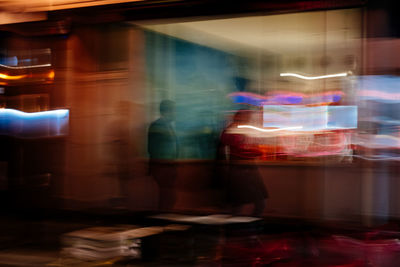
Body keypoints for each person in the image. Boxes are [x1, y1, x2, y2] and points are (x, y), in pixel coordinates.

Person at [217, 109, 268, 217]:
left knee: (247, 203)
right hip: (241, 170)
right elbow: (241, 149)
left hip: (245, 170)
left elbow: (245, 147)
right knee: (242, 203)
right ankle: (243, 226)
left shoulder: (240, 130)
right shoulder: (232, 131)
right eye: (246, 117)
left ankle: (244, 225)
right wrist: (257, 151)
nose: (247, 120)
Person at [147, 100, 178, 212]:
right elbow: (152, 148)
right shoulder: (157, 125)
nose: (175, 113)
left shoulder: (168, 126)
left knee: (167, 196)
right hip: (162, 167)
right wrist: (165, 163)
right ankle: (162, 217)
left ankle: (163, 216)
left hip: (167, 167)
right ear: (167, 111)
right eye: (174, 110)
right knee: (167, 196)